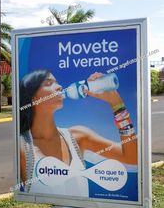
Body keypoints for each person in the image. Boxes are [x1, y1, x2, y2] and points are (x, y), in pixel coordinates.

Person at [19, 69, 137, 197]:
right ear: (33, 97)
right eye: (48, 83)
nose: (59, 87)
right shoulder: (22, 147)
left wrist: (117, 104)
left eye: (57, 82)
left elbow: (132, 156)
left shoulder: (78, 136)